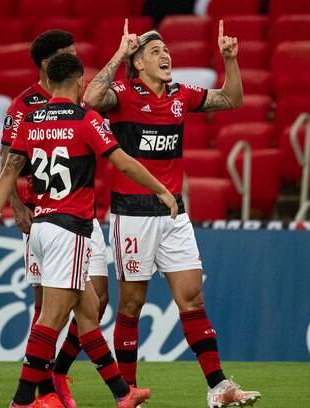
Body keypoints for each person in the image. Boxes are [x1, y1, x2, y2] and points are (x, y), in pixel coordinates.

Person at [0, 53, 178, 408]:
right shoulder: (87, 119)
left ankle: (122, 393)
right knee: (51, 318)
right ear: (78, 81)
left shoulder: (32, 118)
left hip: (41, 227)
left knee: (88, 310)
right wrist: (160, 189)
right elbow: (123, 162)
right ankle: (23, 401)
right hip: (69, 228)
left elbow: (9, 169)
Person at [83, 19, 261, 407]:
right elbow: (90, 99)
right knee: (131, 303)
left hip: (173, 212)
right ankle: (127, 392)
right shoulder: (123, 93)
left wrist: (230, 60)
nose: (165, 55)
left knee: (193, 297)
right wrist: (120, 52)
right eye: (154, 51)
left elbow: (231, 100)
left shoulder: (181, 94)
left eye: (166, 50)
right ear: (138, 64)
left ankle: (219, 386)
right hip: (132, 214)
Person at [0, 29, 111, 407]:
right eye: (69, 55)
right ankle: (41, 391)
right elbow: (8, 160)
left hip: (83, 214)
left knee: (97, 301)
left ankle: (55, 373)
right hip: (44, 215)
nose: (78, 62)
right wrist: (14, 205)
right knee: (47, 307)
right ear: (49, 62)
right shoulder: (23, 105)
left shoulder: (82, 98)